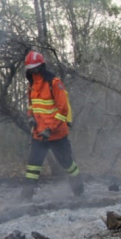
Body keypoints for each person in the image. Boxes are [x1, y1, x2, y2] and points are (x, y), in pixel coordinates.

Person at [20, 51, 83, 200]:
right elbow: (31, 106)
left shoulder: (54, 83)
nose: (33, 71)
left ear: (41, 67)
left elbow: (62, 109)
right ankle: (25, 197)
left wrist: (50, 129)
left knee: (68, 164)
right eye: (30, 69)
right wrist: (30, 118)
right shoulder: (31, 86)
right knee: (33, 167)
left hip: (57, 134)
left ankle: (79, 192)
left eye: (35, 68)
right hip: (39, 133)